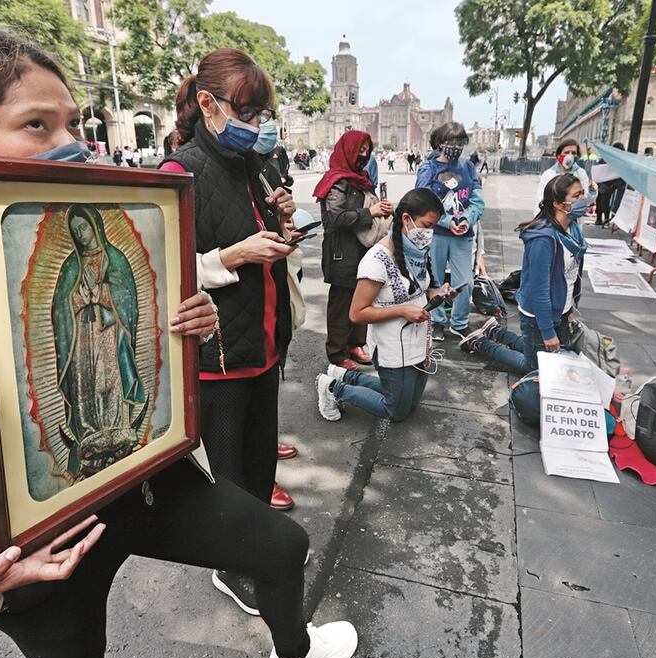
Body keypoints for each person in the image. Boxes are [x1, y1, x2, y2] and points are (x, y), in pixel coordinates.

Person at [0, 28, 356, 658]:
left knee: (279, 546)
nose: (69, 144)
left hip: (145, 477)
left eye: (71, 122)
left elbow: (143, 345)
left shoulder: (121, 219)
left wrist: (184, 329)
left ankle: (294, 651)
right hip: (34, 536)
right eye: (36, 125)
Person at [160, 48, 322, 609]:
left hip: (265, 342)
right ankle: (233, 568)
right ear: (208, 105)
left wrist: (280, 228)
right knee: (229, 473)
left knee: (260, 463)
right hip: (219, 352)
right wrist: (233, 257)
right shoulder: (179, 171)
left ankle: (260, 550)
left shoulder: (257, 166)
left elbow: (267, 247)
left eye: (262, 115)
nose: (259, 126)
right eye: (248, 114)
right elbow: (163, 272)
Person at [316, 189, 450, 422]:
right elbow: (357, 313)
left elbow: (422, 286)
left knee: (410, 404)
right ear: (406, 219)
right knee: (395, 411)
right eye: (426, 226)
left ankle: (345, 375)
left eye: (433, 227)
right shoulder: (375, 261)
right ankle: (331, 388)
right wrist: (401, 310)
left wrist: (438, 293)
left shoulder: (416, 249)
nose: (429, 233)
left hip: (418, 341)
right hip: (393, 346)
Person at [459, 174, 588, 373]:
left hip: (560, 309)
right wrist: (547, 331)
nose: (583, 199)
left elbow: (570, 277)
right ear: (558, 204)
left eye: (583, 193)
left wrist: (569, 310)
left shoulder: (572, 229)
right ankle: (482, 343)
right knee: (534, 367)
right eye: (577, 195)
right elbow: (540, 290)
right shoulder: (543, 240)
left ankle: (497, 332)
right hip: (538, 314)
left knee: (546, 355)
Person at [314, 130, 392, 372]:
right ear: (347, 150)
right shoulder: (336, 180)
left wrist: (382, 208)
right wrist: (371, 213)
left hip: (364, 250)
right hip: (341, 252)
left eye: (367, 150)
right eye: (359, 150)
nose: (363, 155)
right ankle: (337, 353)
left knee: (364, 298)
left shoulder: (362, 178)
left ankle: (357, 344)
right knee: (341, 304)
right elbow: (335, 218)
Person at [415, 121, 485, 341]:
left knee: (465, 281)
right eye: (451, 141)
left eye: (460, 142)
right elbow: (422, 202)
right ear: (440, 143)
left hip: (463, 236)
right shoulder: (428, 169)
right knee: (434, 280)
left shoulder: (468, 167)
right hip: (435, 234)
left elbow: (477, 201)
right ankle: (436, 320)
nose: (456, 146)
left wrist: (466, 219)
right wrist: (446, 222)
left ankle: (459, 322)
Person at [537, 139, 595, 214]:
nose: (570, 156)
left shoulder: (581, 174)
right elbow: (540, 199)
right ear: (558, 155)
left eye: (573, 153)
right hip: (552, 218)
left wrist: (592, 191)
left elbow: (586, 200)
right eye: (566, 152)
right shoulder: (549, 174)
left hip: (573, 220)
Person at [596, 141, 627, 227]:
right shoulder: (607, 158)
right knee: (601, 199)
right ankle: (600, 218)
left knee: (604, 200)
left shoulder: (614, 159)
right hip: (606, 182)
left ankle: (605, 218)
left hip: (612, 184)